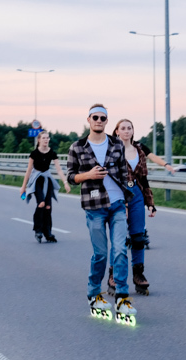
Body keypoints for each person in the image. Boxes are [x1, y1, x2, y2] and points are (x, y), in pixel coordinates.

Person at [67, 103, 137, 325]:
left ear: (107, 121)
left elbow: (125, 173)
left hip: (116, 204)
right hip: (94, 207)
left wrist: (126, 200)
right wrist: (87, 174)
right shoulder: (77, 147)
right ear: (88, 119)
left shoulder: (116, 144)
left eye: (103, 118)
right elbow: (70, 177)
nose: (98, 120)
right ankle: (94, 294)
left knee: (120, 252)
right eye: (95, 117)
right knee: (101, 254)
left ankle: (122, 297)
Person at [109, 119, 157, 296]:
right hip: (119, 195)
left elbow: (144, 179)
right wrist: (123, 201)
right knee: (119, 238)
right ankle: (113, 275)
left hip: (136, 194)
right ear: (117, 132)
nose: (127, 131)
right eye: (123, 128)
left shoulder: (139, 151)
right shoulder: (112, 151)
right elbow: (112, 177)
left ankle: (138, 274)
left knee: (138, 237)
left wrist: (150, 204)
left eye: (129, 128)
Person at [20, 130, 71, 243]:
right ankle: (38, 230)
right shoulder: (34, 153)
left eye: (47, 138)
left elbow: (58, 169)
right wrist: (23, 186)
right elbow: (28, 170)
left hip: (47, 180)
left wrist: (65, 182)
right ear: (39, 140)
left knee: (48, 207)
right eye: (44, 138)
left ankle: (48, 232)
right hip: (37, 180)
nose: (46, 140)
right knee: (41, 204)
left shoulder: (52, 153)